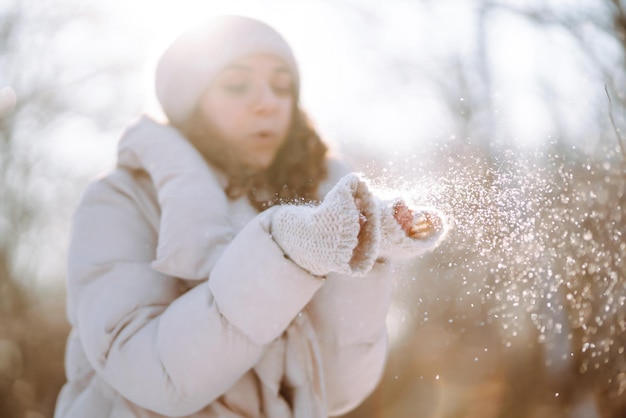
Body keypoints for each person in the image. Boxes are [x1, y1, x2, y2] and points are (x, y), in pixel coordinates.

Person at [54, 15, 447, 418]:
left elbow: (335, 395)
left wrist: (365, 251)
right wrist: (284, 252)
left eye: (282, 86)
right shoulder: (119, 200)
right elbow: (154, 375)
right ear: (191, 101)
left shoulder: (314, 198)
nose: (268, 102)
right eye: (237, 85)